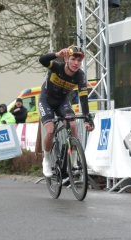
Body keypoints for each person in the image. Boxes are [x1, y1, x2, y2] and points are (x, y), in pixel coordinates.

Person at [38, 45, 95, 177]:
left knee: (73, 125)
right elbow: (42, 60)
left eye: (79, 61)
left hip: (62, 101)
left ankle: (74, 162)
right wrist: (56, 54)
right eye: (73, 59)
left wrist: (87, 117)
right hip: (46, 100)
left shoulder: (80, 76)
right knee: (51, 131)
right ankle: (46, 160)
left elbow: (83, 97)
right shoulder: (56, 67)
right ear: (66, 59)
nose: (76, 63)